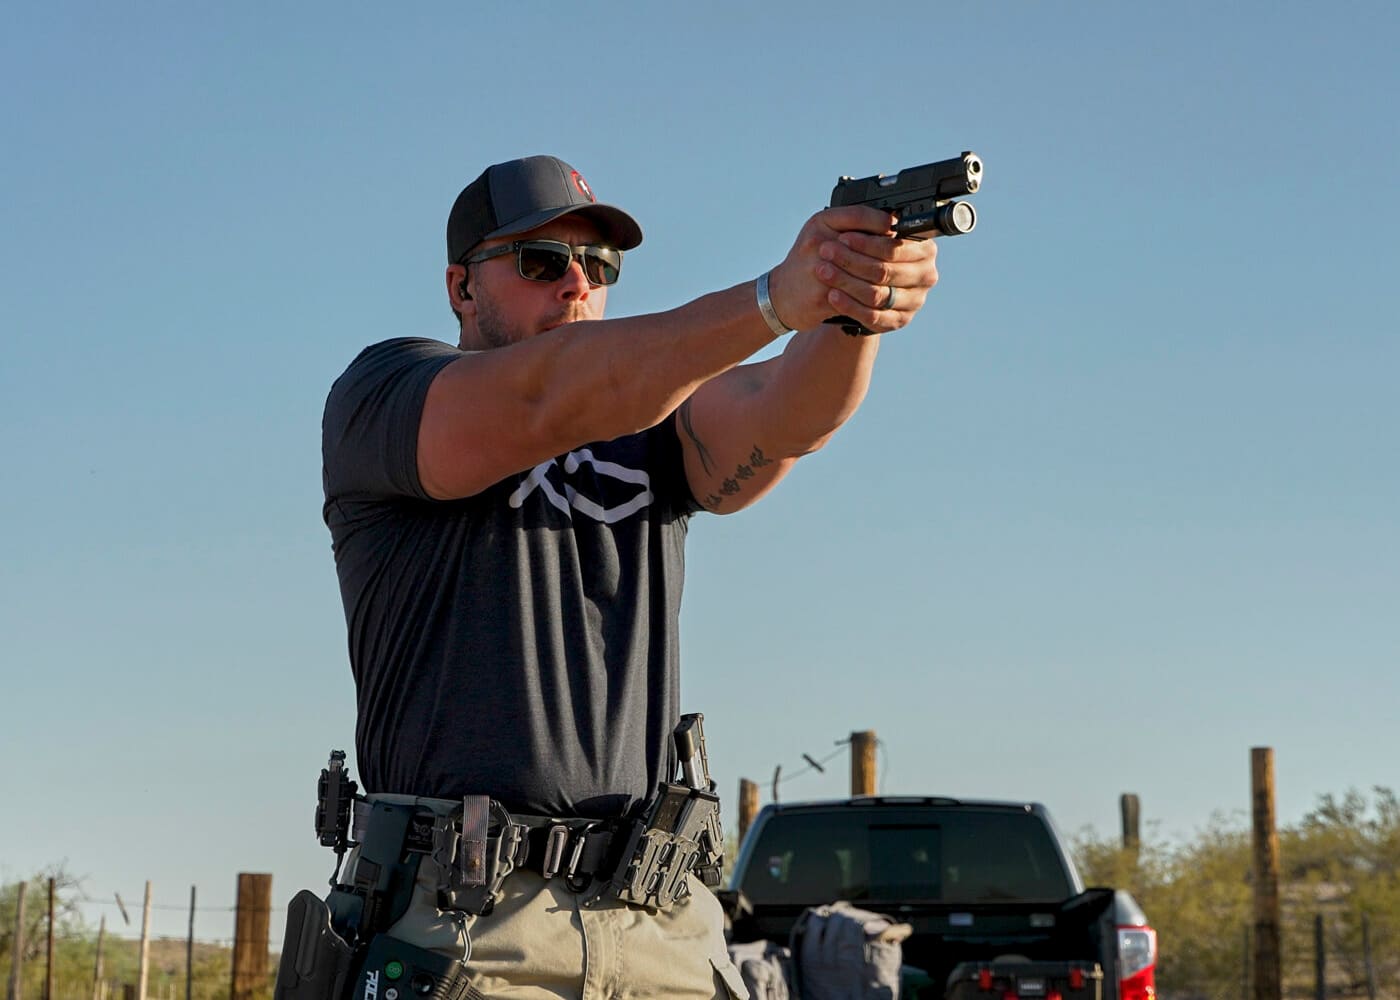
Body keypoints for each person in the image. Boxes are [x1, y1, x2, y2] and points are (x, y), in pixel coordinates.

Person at [312, 154, 940, 999]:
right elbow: (548, 396)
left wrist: (848, 304)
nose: (576, 284)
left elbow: (787, 415)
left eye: (599, 265)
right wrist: (774, 299)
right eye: (542, 262)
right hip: (472, 930)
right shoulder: (386, 394)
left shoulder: (651, 418)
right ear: (462, 289)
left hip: (659, 922)